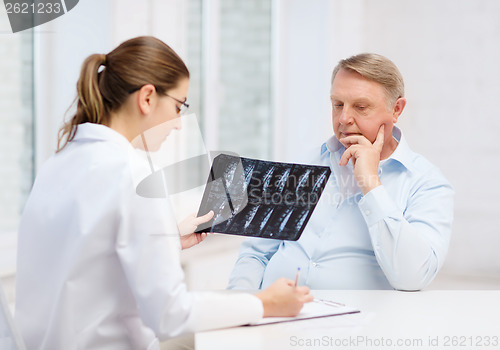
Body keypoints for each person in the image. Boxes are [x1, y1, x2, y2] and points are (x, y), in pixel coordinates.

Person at [15, 36, 312, 350]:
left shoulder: (58, 162)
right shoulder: (134, 175)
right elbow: (171, 316)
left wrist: (167, 238)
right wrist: (264, 303)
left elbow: (87, 258)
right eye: (178, 106)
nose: (179, 124)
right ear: (146, 98)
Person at [228, 53, 454, 291]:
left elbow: (412, 278)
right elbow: (255, 254)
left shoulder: (427, 184)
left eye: (361, 107)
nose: (344, 118)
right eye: (337, 105)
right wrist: (241, 308)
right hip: (274, 316)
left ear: (396, 109)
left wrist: (371, 184)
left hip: (358, 324)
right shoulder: (304, 163)